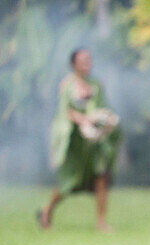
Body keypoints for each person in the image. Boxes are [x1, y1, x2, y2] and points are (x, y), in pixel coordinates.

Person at [39, 48, 121, 232]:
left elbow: (102, 107)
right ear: (73, 64)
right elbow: (65, 111)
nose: (87, 63)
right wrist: (85, 120)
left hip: (95, 144)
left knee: (101, 177)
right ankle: (46, 211)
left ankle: (101, 222)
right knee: (68, 181)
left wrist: (105, 120)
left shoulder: (96, 84)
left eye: (89, 59)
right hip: (75, 143)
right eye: (83, 60)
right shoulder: (67, 85)